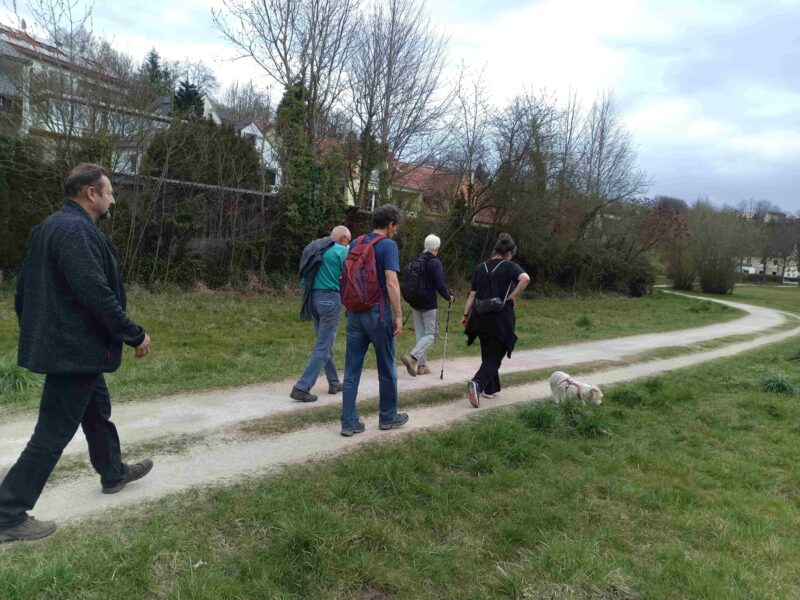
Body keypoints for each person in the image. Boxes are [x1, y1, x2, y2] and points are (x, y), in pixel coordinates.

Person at [0, 164, 153, 544]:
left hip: (71, 347)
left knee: (96, 410)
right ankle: (7, 513)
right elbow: (94, 292)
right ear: (91, 193)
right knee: (52, 431)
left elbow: (23, 292)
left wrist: (38, 332)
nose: (113, 199)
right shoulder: (76, 231)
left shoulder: (47, 228)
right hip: (74, 349)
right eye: (110, 192)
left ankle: (113, 472)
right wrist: (133, 334)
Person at [340, 204, 409, 437]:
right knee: (386, 366)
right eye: (396, 227)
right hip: (379, 313)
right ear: (390, 224)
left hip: (355, 312)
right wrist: (398, 315)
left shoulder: (356, 243)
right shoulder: (388, 245)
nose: (395, 231)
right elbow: (391, 282)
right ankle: (388, 417)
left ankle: (348, 422)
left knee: (351, 370)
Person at [461, 233, 530, 408]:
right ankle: (477, 383)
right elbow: (525, 279)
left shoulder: (480, 267)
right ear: (509, 253)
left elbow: (472, 295)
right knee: (496, 356)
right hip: (500, 317)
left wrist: (465, 315)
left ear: (495, 250)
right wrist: (513, 296)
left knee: (488, 352)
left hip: (479, 317)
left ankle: (490, 389)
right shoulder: (510, 266)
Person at [291, 225, 352, 402]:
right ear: (343, 238)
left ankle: (334, 382)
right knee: (323, 347)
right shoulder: (341, 251)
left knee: (324, 342)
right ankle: (302, 387)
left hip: (313, 299)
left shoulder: (316, 249)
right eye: (348, 240)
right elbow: (352, 275)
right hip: (330, 300)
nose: (348, 244)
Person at [401, 234, 455, 377]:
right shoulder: (435, 263)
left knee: (421, 334)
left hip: (414, 303)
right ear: (436, 248)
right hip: (428, 304)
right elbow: (440, 284)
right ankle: (412, 357)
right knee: (431, 334)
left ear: (425, 246)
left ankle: (422, 366)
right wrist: (449, 297)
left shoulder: (416, 260)